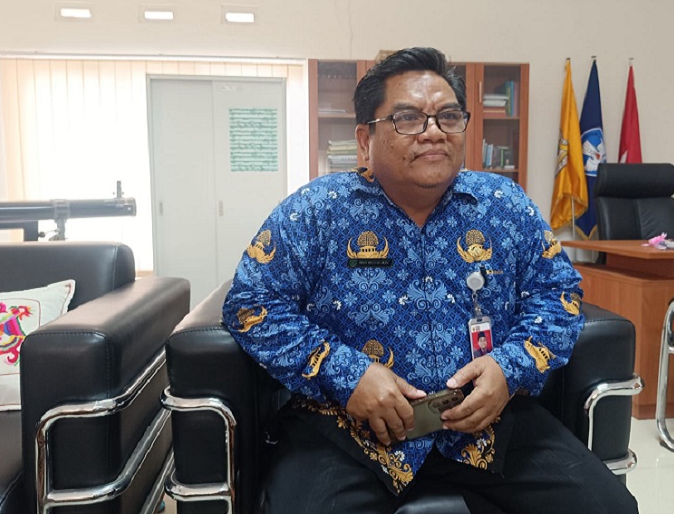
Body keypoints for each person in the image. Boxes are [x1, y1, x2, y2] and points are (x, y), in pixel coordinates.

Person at [223, 47, 638, 513]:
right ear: (364, 139)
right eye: (408, 119)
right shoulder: (316, 211)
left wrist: (510, 368)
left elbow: (558, 294)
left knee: (610, 508)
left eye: (448, 117)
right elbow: (251, 305)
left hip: (488, 424)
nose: (434, 132)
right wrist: (347, 374)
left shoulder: (504, 204)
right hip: (348, 429)